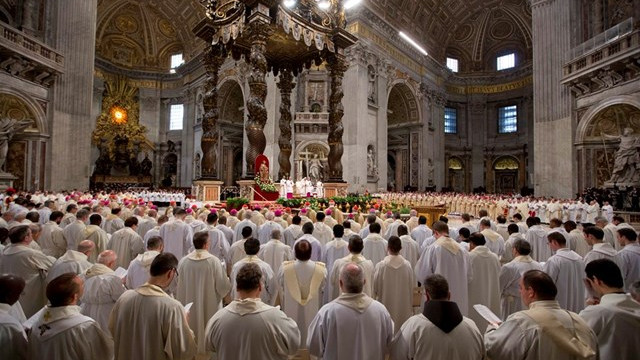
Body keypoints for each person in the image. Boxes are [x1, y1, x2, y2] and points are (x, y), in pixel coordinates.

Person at [485, 270, 598, 360]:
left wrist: (492, 328)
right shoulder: (578, 320)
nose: (520, 292)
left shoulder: (522, 321)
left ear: (531, 292)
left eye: (521, 288)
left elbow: (493, 350)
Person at [109, 253, 197, 360]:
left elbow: (113, 329)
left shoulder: (124, 298)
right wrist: (185, 323)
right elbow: (182, 350)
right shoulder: (172, 307)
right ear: (170, 273)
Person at [205, 262, 300, 359]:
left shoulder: (218, 318)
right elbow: (294, 345)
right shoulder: (276, 318)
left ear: (237, 287)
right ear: (260, 287)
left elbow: (210, 346)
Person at [308, 263, 394, 360]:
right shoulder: (381, 311)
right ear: (364, 282)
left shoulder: (327, 312)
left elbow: (313, 347)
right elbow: (391, 343)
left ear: (340, 283)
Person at [390, 274, 484, 360]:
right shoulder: (472, 328)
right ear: (449, 295)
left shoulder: (413, 327)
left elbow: (396, 355)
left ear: (427, 296)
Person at [28, 273, 114, 360]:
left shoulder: (35, 326)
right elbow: (103, 355)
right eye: (82, 286)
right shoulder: (84, 327)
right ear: (74, 297)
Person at [176, 231, 230, 357]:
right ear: (206, 244)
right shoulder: (213, 261)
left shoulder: (184, 261)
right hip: (209, 303)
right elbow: (223, 286)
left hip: (189, 303)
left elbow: (177, 284)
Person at [579, 259, 640, 360]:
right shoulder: (635, 305)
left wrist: (593, 309)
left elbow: (577, 345)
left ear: (596, 280)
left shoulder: (597, 313)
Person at [278, 240, 326, 356]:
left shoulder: (285, 269)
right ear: (310, 253)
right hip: (312, 310)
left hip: (291, 309)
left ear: (295, 253)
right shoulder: (321, 270)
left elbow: (281, 284)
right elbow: (323, 287)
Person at [415, 221, 471, 315]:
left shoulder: (433, 248)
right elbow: (469, 276)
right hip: (460, 296)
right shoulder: (462, 250)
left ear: (436, 232)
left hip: (438, 298)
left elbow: (422, 273)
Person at [0, 225, 54, 317]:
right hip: (29, 291)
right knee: (29, 316)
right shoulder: (30, 254)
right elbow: (51, 264)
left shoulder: (6, 249)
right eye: (30, 234)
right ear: (26, 238)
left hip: (10, 290)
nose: (32, 236)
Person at [373, 236, 415, 332]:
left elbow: (375, 288)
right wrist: (415, 308)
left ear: (387, 247)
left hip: (385, 306)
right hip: (404, 308)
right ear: (401, 248)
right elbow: (413, 287)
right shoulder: (407, 266)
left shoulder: (381, 266)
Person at [81, 250, 127, 331]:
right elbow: (121, 298)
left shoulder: (84, 274)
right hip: (105, 314)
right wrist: (121, 283)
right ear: (111, 263)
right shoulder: (111, 279)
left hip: (86, 312)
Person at [544, 232, 586, 312]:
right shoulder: (579, 258)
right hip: (578, 299)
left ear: (554, 242)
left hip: (560, 301)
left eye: (548, 243)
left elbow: (547, 283)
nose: (549, 246)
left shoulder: (554, 260)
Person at [467, 232, 501, 330]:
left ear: (471, 243)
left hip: (474, 294)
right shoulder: (494, 257)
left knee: (475, 321)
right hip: (491, 292)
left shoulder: (470, 257)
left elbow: (466, 277)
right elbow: (499, 274)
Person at [229, 237, 277, 305]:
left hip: (240, 304)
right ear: (258, 250)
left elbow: (233, 285)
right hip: (260, 305)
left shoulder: (236, 266)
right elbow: (273, 288)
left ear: (245, 249)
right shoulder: (265, 267)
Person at [329, 235, 375, 300]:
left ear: (348, 247)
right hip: (364, 305)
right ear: (362, 247)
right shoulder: (369, 264)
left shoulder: (339, 263)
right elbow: (372, 283)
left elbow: (332, 281)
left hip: (343, 304)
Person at [0, 274, 27, 360]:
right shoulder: (9, 325)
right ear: (9, 297)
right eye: (20, 293)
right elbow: (25, 353)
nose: (19, 297)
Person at [615, 227, 640, 291]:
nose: (617, 240)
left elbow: (621, 275)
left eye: (618, 237)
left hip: (630, 292)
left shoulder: (623, 254)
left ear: (623, 237)